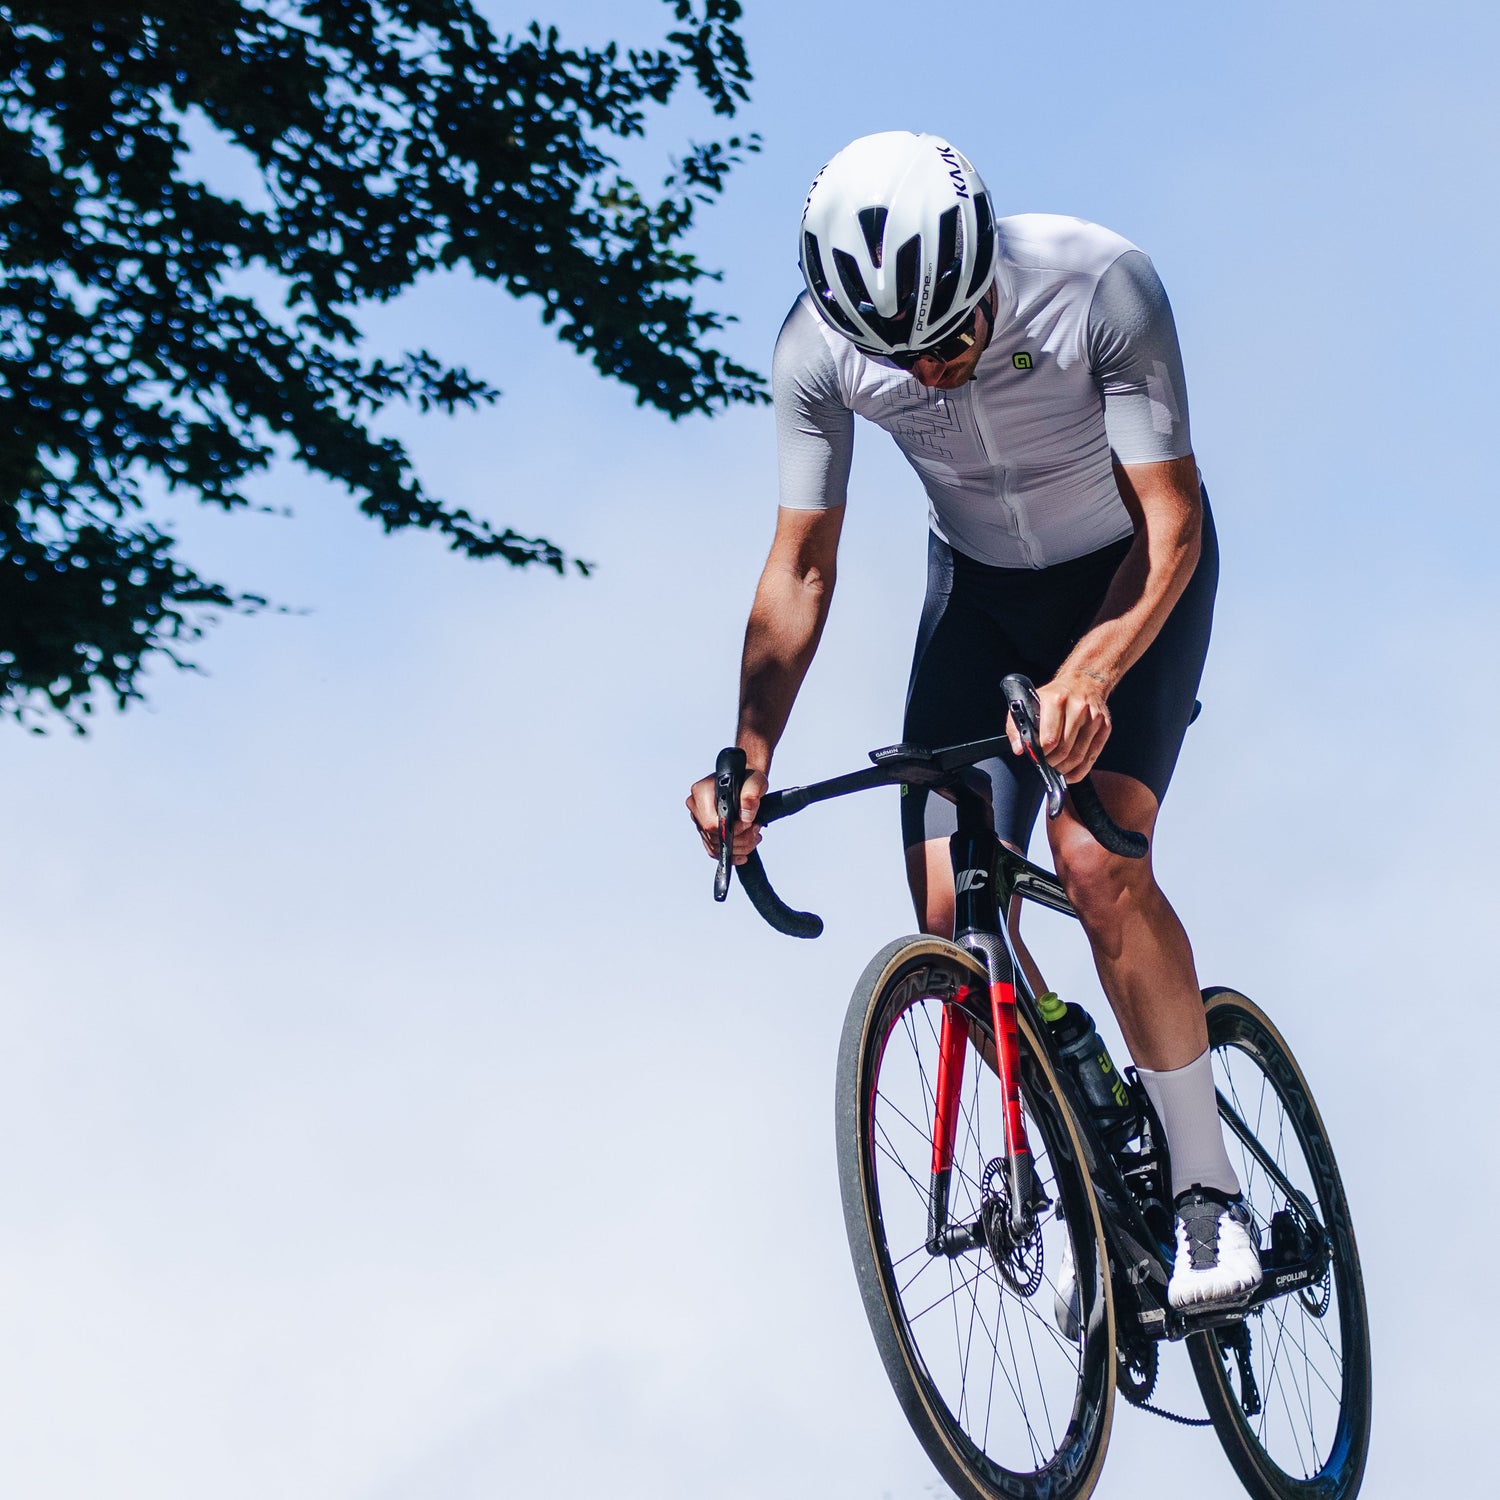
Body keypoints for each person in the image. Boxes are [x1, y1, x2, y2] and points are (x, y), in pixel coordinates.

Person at [686, 131, 1259, 1311]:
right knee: (953, 918)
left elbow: (1174, 524)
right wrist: (747, 753)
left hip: (1129, 575)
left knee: (1093, 863)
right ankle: (1076, 1133)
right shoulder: (814, 351)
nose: (936, 372)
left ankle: (1208, 1190)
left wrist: (1093, 671)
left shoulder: (1098, 284)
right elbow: (801, 568)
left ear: (986, 265)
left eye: (955, 336)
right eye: (904, 357)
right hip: (983, 598)